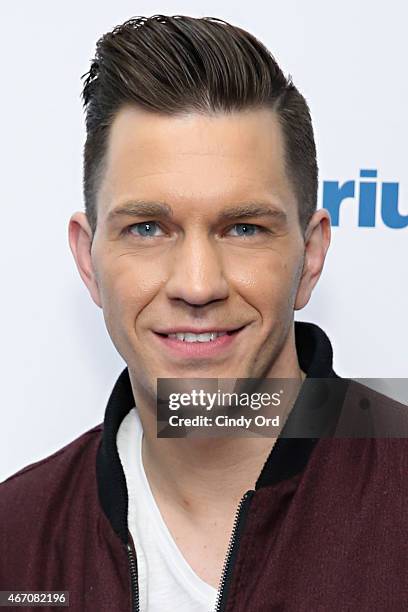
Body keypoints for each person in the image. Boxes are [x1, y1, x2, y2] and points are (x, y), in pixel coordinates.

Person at [1, 14, 406, 612]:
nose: (197, 285)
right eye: (146, 228)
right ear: (89, 260)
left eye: (244, 227)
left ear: (311, 255)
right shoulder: (16, 538)